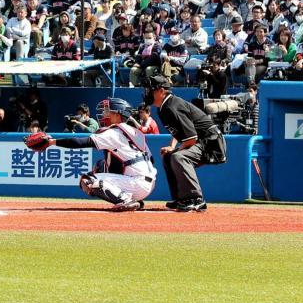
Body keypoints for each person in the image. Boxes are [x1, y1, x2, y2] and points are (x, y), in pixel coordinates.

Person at [23, 98, 156, 211]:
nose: (104, 114)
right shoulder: (135, 133)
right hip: (148, 183)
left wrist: (52, 142)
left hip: (137, 183)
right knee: (101, 166)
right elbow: (152, 160)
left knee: (88, 180)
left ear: (118, 114)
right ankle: (134, 199)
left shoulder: (114, 132)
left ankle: (127, 200)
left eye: (108, 111)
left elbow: (82, 142)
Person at [147, 74, 225, 212]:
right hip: (202, 141)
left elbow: (191, 138)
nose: (147, 93)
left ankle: (196, 199)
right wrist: (172, 146)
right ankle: (182, 198)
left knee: (179, 157)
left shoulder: (172, 106)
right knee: (168, 156)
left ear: (161, 91)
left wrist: (176, 150)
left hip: (211, 142)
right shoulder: (163, 107)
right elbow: (178, 131)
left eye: (151, 90)